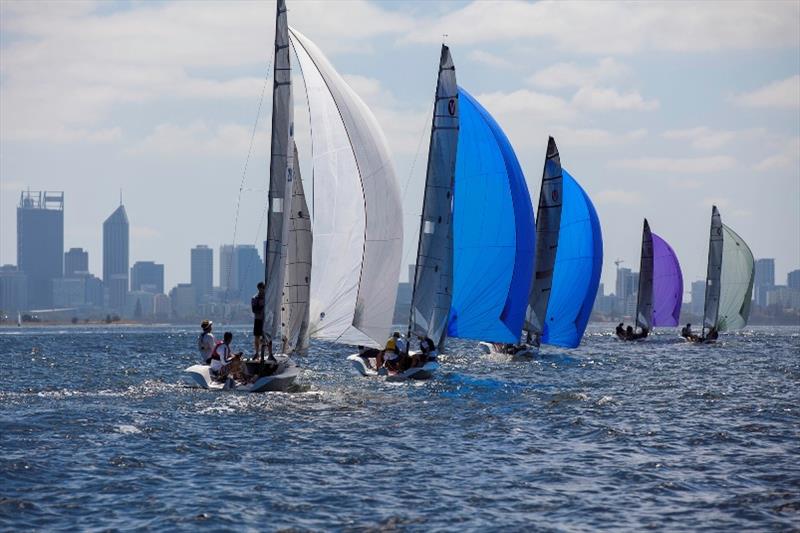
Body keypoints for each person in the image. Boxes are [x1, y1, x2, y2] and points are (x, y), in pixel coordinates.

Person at [251, 282, 266, 356]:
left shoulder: (268, 297)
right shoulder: (255, 298)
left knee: (267, 336)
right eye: (260, 288)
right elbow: (254, 310)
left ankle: (268, 353)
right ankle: (257, 353)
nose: (262, 290)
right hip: (258, 319)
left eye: (263, 288)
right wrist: (261, 307)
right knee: (257, 336)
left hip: (266, 320)